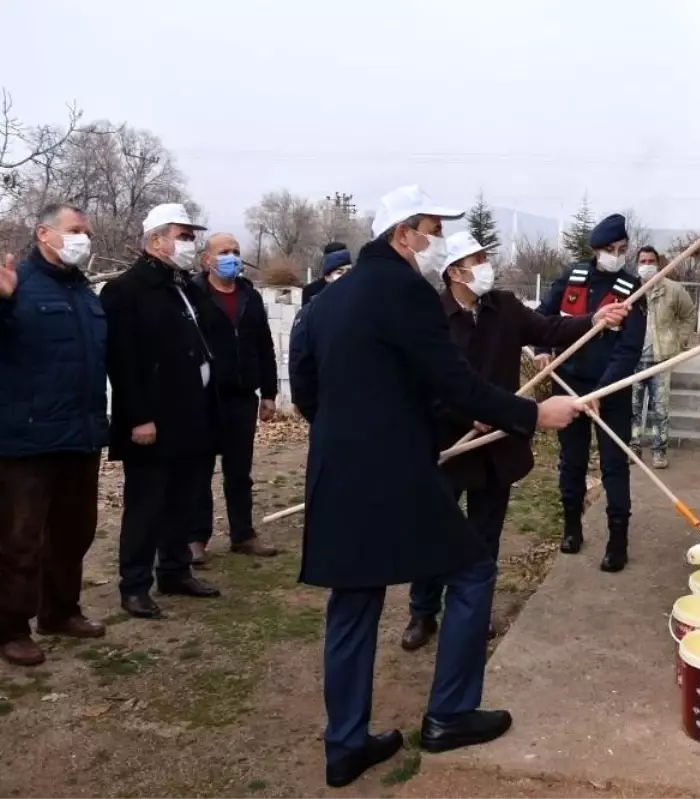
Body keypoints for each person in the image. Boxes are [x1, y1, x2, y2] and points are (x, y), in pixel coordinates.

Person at [291, 185, 586, 788]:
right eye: (431, 228)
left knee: (354, 600)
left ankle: (344, 745)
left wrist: (385, 415)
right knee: (473, 568)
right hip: (394, 470)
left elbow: (309, 391)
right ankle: (449, 714)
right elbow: (454, 379)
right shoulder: (406, 293)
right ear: (402, 234)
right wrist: (534, 415)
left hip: (337, 470)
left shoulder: (327, 301)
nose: (438, 242)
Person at [401, 232, 630, 652]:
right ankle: (423, 611)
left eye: (487, 256)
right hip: (449, 444)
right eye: (478, 259)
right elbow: (419, 381)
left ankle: (472, 610)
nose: (486, 265)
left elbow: (551, 327)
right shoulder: (430, 315)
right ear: (454, 272)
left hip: (497, 446)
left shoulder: (503, 307)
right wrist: (465, 412)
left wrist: (595, 321)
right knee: (435, 531)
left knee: (485, 535)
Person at [101, 203, 222, 620]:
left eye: (192, 237)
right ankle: (135, 584)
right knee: (147, 505)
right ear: (156, 240)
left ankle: (175, 570)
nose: (190, 244)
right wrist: (138, 417)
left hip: (191, 413)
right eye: (183, 236)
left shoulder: (183, 286)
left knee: (183, 500)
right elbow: (123, 362)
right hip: (152, 419)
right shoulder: (125, 291)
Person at [0, 204, 108, 666]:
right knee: (19, 538)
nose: (84, 238)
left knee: (74, 531)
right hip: (26, 439)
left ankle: (61, 611)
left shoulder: (85, 293)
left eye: (87, 231)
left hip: (80, 435)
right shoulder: (16, 285)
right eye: (75, 230)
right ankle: (9, 628)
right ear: (44, 233)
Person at [535, 214, 646, 572]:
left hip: (610, 391)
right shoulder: (573, 277)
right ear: (595, 250)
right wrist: (540, 348)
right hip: (567, 385)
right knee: (572, 460)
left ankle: (618, 541)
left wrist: (601, 391)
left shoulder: (632, 291)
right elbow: (544, 317)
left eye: (622, 249)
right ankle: (572, 527)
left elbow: (628, 351)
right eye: (610, 249)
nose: (616, 255)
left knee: (614, 465)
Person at [188, 233, 280, 565]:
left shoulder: (249, 296)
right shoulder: (194, 295)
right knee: (200, 469)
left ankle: (243, 534)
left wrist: (269, 393)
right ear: (207, 260)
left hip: (243, 396)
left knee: (239, 471)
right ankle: (196, 537)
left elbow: (265, 346)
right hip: (205, 397)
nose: (232, 257)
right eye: (224, 252)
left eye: (236, 252)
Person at [630, 246, 695, 469]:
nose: (647, 265)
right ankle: (633, 448)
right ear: (637, 263)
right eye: (643, 261)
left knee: (660, 410)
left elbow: (688, 315)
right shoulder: (630, 289)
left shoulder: (673, 290)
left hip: (661, 358)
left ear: (658, 264)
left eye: (651, 261)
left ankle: (659, 451)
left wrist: (680, 343)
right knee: (633, 408)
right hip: (634, 360)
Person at [301, 242, 352, 307]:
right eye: (339, 272)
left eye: (348, 271)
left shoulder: (355, 290)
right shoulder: (310, 291)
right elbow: (305, 315)